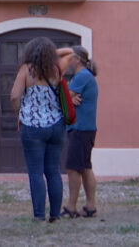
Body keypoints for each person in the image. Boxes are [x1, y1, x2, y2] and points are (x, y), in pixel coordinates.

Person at [10, 37, 66, 223]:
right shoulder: (56, 70)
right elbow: (70, 53)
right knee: (53, 171)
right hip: (56, 125)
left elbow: (14, 96)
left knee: (36, 172)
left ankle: (39, 215)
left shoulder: (26, 70)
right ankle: (55, 215)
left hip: (32, 126)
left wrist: (19, 113)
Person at [60, 46, 99, 218]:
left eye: (69, 58)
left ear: (77, 59)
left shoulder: (82, 76)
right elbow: (67, 96)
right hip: (86, 129)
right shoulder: (85, 76)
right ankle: (90, 206)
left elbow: (61, 95)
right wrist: (69, 97)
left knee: (73, 168)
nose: (67, 62)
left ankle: (71, 207)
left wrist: (67, 96)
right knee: (85, 167)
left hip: (80, 129)